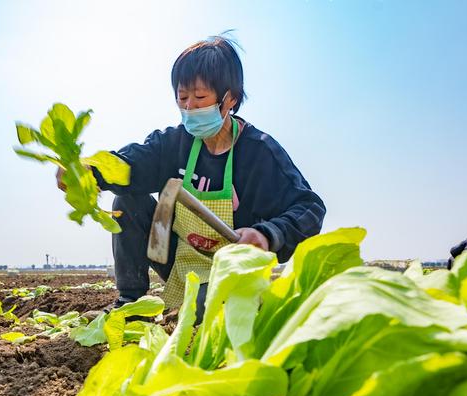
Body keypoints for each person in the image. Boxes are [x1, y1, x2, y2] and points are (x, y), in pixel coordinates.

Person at [57, 35, 326, 311]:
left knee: (203, 307)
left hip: (232, 274)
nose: (189, 108)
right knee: (127, 202)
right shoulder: (173, 144)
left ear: (229, 98)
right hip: (179, 260)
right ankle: (131, 304)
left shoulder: (259, 153)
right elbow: (130, 164)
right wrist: (89, 172)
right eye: (182, 98)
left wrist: (268, 234)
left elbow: (309, 208)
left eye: (199, 98)